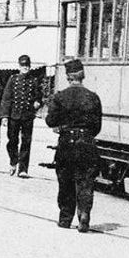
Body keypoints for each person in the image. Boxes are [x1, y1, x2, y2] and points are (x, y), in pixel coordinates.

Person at [45, 58, 102, 232]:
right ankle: (84, 214)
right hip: (86, 143)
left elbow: (50, 121)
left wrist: (61, 125)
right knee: (85, 181)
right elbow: (97, 127)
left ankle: (65, 218)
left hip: (66, 143)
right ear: (82, 76)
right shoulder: (93, 97)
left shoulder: (60, 97)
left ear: (68, 77)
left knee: (66, 181)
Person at [1, 54, 44, 177]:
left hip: (27, 115)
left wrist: (38, 102)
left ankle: (23, 169)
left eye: (27, 65)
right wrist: (5, 116)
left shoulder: (34, 80)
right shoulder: (13, 79)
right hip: (14, 115)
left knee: (26, 142)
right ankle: (13, 161)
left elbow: (39, 96)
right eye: (23, 65)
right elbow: (6, 98)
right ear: (19, 66)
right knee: (12, 141)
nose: (25, 68)